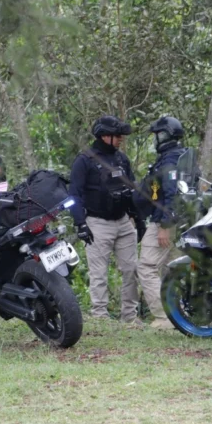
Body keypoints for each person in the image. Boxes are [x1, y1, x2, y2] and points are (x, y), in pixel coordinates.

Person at [69, 115, 143, 323]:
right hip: (97, 223)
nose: (121, 139)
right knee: (98, 272)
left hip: (123, 222)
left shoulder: (122, 159)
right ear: (104, 136)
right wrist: (80, 223)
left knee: (131, 269)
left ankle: (129, 315)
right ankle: (100, 315)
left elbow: (132, 189)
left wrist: (138, 218)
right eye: (117, 135)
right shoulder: (84, 160)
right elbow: (73, 195)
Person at [134, 116, 187, 330]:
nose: (156, 139)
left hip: (165, 221)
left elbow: (172, 193)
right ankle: (181, 315)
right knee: (169, 269)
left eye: (157, 135)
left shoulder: (170, 160)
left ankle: (165, 317)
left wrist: (164, 225)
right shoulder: (182, 156)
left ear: (163, 135)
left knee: (146, 267)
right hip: (179, 220)